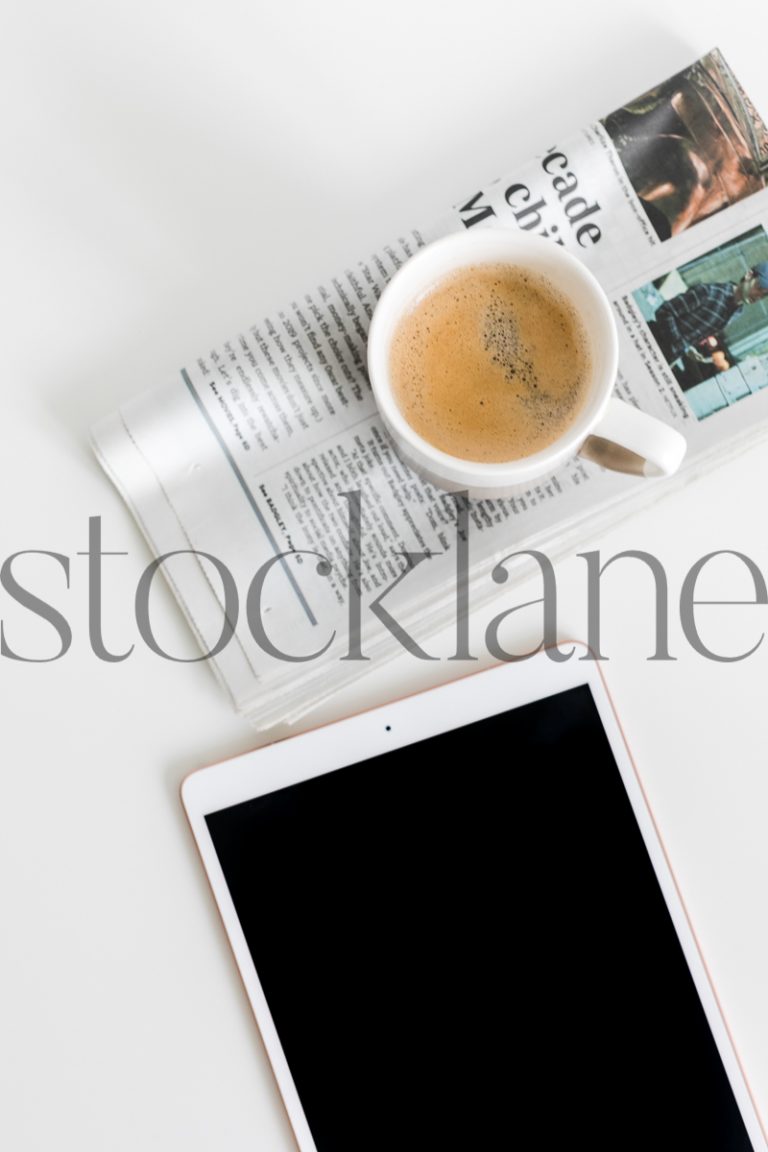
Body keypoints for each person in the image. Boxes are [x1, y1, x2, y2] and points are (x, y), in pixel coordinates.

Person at [649, 261, 768, 364]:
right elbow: (664, 312)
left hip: (668, 358)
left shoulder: (737, 312)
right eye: (758, 287)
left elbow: (697, 330)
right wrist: (682, 346)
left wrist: (696, 345)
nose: (758, 296)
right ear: (748, 275)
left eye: (764, 295)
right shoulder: (709, 292)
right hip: (652, 343)